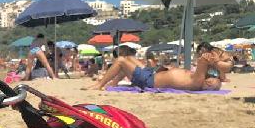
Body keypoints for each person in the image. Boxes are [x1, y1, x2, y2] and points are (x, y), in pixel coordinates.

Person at [89, 48, 222, 91]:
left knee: (121, 60)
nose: (213, 81)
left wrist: (213, 57)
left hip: (148, 81)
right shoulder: (200, 78)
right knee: (128, 58)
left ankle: (99, 85)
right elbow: (207, 66)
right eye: (215, 79)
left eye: (214, 84)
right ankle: (113, 83)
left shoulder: (197, 82)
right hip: (151, 74)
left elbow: (202, 61)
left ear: (208, 85)